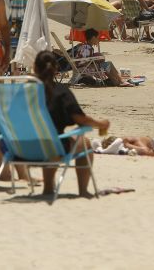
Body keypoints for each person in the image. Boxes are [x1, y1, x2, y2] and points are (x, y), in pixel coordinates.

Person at [34, 51, 109, 197]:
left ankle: (48, 188)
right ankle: (83, 191)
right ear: (56, 69)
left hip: (19, 148)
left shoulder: (23, 92)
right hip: (51, 148)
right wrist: (101, 124)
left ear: (35, 68)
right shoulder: (60, 91)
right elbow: (81, 120)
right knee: (84, 143)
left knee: (46, 138)